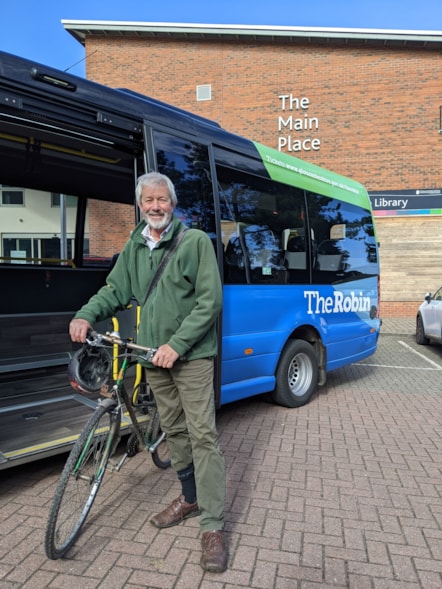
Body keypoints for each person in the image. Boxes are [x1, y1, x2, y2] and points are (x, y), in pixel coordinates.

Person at [69, 172, 227, 573]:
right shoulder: (136, 245)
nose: (156, 207)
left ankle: (212, 526)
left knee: (202, 435)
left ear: (172, 204)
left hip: (189, 358)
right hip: (151, 357)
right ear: (140, 205)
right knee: (173, 432)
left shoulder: (194, 243)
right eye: (148, 201)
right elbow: (115, 290)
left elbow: (210, 302)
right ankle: (189, 498)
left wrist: (178, 345)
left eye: (162, 200)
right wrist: (86, 314)